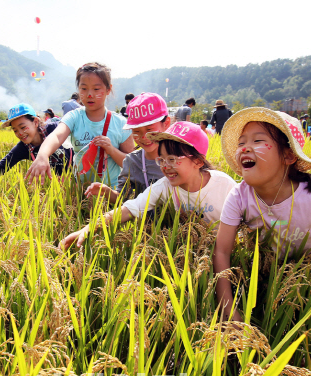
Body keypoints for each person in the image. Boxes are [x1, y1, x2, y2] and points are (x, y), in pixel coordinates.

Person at [212, 107, 311, 321]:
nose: (245, 148)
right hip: (261, 279)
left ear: (288, 156)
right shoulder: (239, 195)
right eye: (241, 143)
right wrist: (229, 312)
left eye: (258, 141)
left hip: (304, 282)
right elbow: (222, 251)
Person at [61, 121, 237, 249]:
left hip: (225, 249)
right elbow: (129, 209)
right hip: (192, 249)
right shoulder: (166, 186)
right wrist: (89, 228)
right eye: (161, 160)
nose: (165, 167)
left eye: (173, 159)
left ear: (198, 162)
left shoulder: (224, 185)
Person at [25, 62, 136, 188]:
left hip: (112, 194)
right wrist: (43, 155)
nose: (89, 94)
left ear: (108, 89)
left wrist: (111, 150)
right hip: (80, 193)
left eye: (96, 89)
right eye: (84, 88)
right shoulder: (74, 117)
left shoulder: (120, 123)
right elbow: (56, 136)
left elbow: (131, 164)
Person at [83, 92, 170, 203]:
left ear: (166, 123)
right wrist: (105, 191)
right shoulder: (133, 161)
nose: (143, 137)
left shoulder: (182, 155)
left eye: (149, 130)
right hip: (147, 219)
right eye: (136, 131)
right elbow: (121, 198)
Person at [0, 103, 73, 186]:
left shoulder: (55, 128)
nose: (20, 133)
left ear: (35, 122)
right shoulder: (23, 148)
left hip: (80, 176)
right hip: (59, 186)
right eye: (15, 130)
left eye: (23, 127)